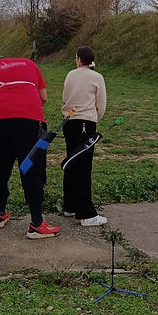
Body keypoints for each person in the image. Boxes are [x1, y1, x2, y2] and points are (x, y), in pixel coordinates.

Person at [0, 55, 61, 239]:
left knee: (0, 167)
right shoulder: (29, 64)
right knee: (31, 167)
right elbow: (43, 97)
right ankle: (36, 223)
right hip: (29, 121)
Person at [61, 46, 108, 226]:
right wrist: (95, 118)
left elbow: (65, 98)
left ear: (79, 59)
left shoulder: (70, 75)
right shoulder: (97, 77)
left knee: (72, 161)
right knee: (84, 166)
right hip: (86, 123)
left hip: (69, 121)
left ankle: (70, 205)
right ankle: (86, 213)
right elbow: (101, 103)